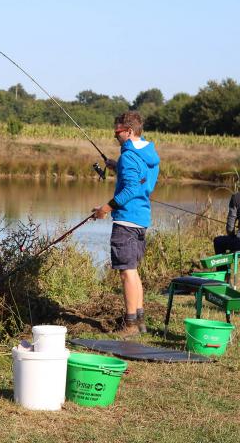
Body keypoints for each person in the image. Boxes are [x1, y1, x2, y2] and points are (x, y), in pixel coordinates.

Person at [92, 111, 160, 338]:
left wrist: (105, 208)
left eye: (117, 132)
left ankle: (130, 325)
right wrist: (116, 166)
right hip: (141, 219)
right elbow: (139, 179)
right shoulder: (147, 153)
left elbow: (131, 189)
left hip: (126, 220)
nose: (115, 136)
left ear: (129, 131)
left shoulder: (129, 157)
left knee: (127, 272)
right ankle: (139, 321)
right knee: (133, 271)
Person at [213, 192, 240, 260]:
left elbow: (230, 229)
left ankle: (223, 269)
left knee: (218, 241)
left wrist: (233, 235)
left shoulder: (236, 197)